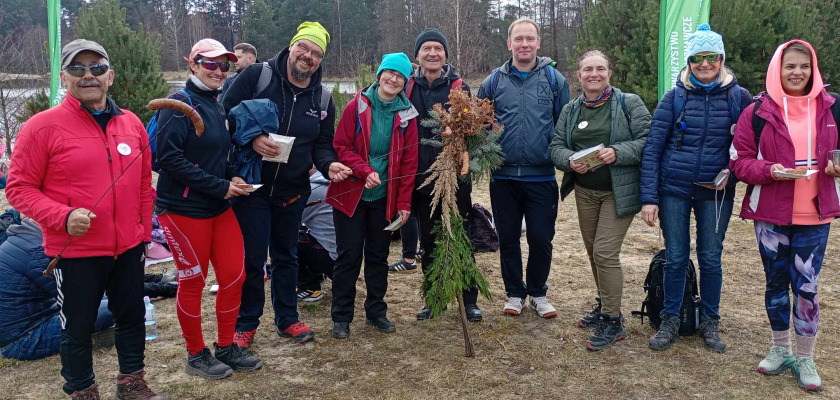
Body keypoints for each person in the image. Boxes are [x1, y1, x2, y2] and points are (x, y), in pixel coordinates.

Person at [6, 39, 165, 399]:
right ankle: (82, 390)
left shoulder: (132, 124)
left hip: (128, 247)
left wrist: (142, 234)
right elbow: (19, 189)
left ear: (110, 76)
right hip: (75, 252)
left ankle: (132, 384)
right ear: (64, 77)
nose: (88, 75)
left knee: (132, 319)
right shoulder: (40, 127)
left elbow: (143, 185)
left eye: (96, 68)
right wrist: (63, 217)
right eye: (77, 69)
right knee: (76, 328)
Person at [222, 22, 352, 347]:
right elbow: (223, 115)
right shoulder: (257, 76)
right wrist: (252, 139)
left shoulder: (322, 98)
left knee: (286, 257)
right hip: (251, 187)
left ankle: (288, 319)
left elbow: (321, 144)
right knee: (252, 259)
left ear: (321, 60)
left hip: (293, 192)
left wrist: (329, 163)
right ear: (292, 46)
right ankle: (246, 323)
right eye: (304, 48)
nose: (308, 56)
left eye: (316, 53)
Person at [731, 40, 840, 392]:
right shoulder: (757, 111)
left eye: (804, 66)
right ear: (777, 69)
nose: (797, 72)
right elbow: (738, 160)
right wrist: (769, 170)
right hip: (771, 214)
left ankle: (806, 357)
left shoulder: (833, 107)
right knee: (776, 284)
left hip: (815, 213)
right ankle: (780, 348)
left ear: (814, 70)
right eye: (790, 66)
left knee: (806, 287)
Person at [641, 24, 752, 353]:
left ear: (721, 59)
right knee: (675, 258)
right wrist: (649, 197)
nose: (704, 64)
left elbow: (749, 146)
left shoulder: (739, 97)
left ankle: (710, 322)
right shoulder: (674, 97)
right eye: (697, 58)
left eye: (711, 57)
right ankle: (671, 319)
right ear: (688, 61)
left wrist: (734, 173)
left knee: (711, 259)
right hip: (673, 190)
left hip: (715, 193)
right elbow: (652, 149)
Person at [155, 38, 261, 380]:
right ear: (193, 63)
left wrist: (234, 177)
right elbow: (167, 159)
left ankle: (226, 346)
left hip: (219, 206)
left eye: (224, 65)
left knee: (235, 275)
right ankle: (195, 353)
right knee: (193, 282)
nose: (218, 71)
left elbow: (222, 157)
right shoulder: (178, 103)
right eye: (210, 63)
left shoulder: (216, 105)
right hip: (182, 209)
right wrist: (220, 186)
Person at [550, 50, 650, 350]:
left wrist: (618, 152)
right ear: (578, 75)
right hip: (585, 191)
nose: (594, 74)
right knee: (594, 253)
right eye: (587, 70)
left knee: (605, 253)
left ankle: (612, 321)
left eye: (600, 69)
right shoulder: (571, 109)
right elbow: (556, 146)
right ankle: (607, 305)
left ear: (609, 73)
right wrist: (569, 161)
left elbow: (649, 141)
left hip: (619, 191)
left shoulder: (628, 103)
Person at [477, 18, 569, 318]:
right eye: (519, 39)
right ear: (509, 44)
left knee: (541, 238)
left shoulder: (555, 81)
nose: (524, 44)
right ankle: (515, 293)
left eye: (530, 38)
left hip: (541, 176)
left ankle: (538, 293)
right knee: (507, 237)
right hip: (502, 178)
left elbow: (563, 128)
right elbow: (480, 126)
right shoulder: (493, 81)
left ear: (538, 43)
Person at [328, 53, 418, 339]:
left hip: (385, 198)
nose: (393, 79)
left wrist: (404, 204)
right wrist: (364, 170)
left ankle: (376, 312)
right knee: (348, 257)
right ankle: (341, 317)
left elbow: (408, 164)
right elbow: (341, 146)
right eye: (389, 73)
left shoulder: (407, 115)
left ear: (405, 83)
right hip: (351, 195)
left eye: (400, 76)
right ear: (379, 75)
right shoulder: (356, 105)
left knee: (378, 257)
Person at [404, 28, 481, 321]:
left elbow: (472, 131)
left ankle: (469, 298)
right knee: (429, 239)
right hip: (421, 178)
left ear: (446, 54)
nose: (432, 53)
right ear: (418, 55)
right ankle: (435, 297)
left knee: (459, 235)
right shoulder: (408, 86)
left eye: (438, 48)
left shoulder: (459, 86)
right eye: (426, 49)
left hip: (455, 177)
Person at [0, 218, 115, 361]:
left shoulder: (23, 240)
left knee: (110, 300)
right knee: (115, 307)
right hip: (24, 339)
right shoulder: (37, 251)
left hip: (32, 321)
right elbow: (76, 296)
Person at [296, 168, 337, 302]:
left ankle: (309, 288)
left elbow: (293, 219)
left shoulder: (313, 190)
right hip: (347, 262)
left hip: (333, 260)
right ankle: (317, 275)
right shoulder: (333, 183)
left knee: (287, 238)